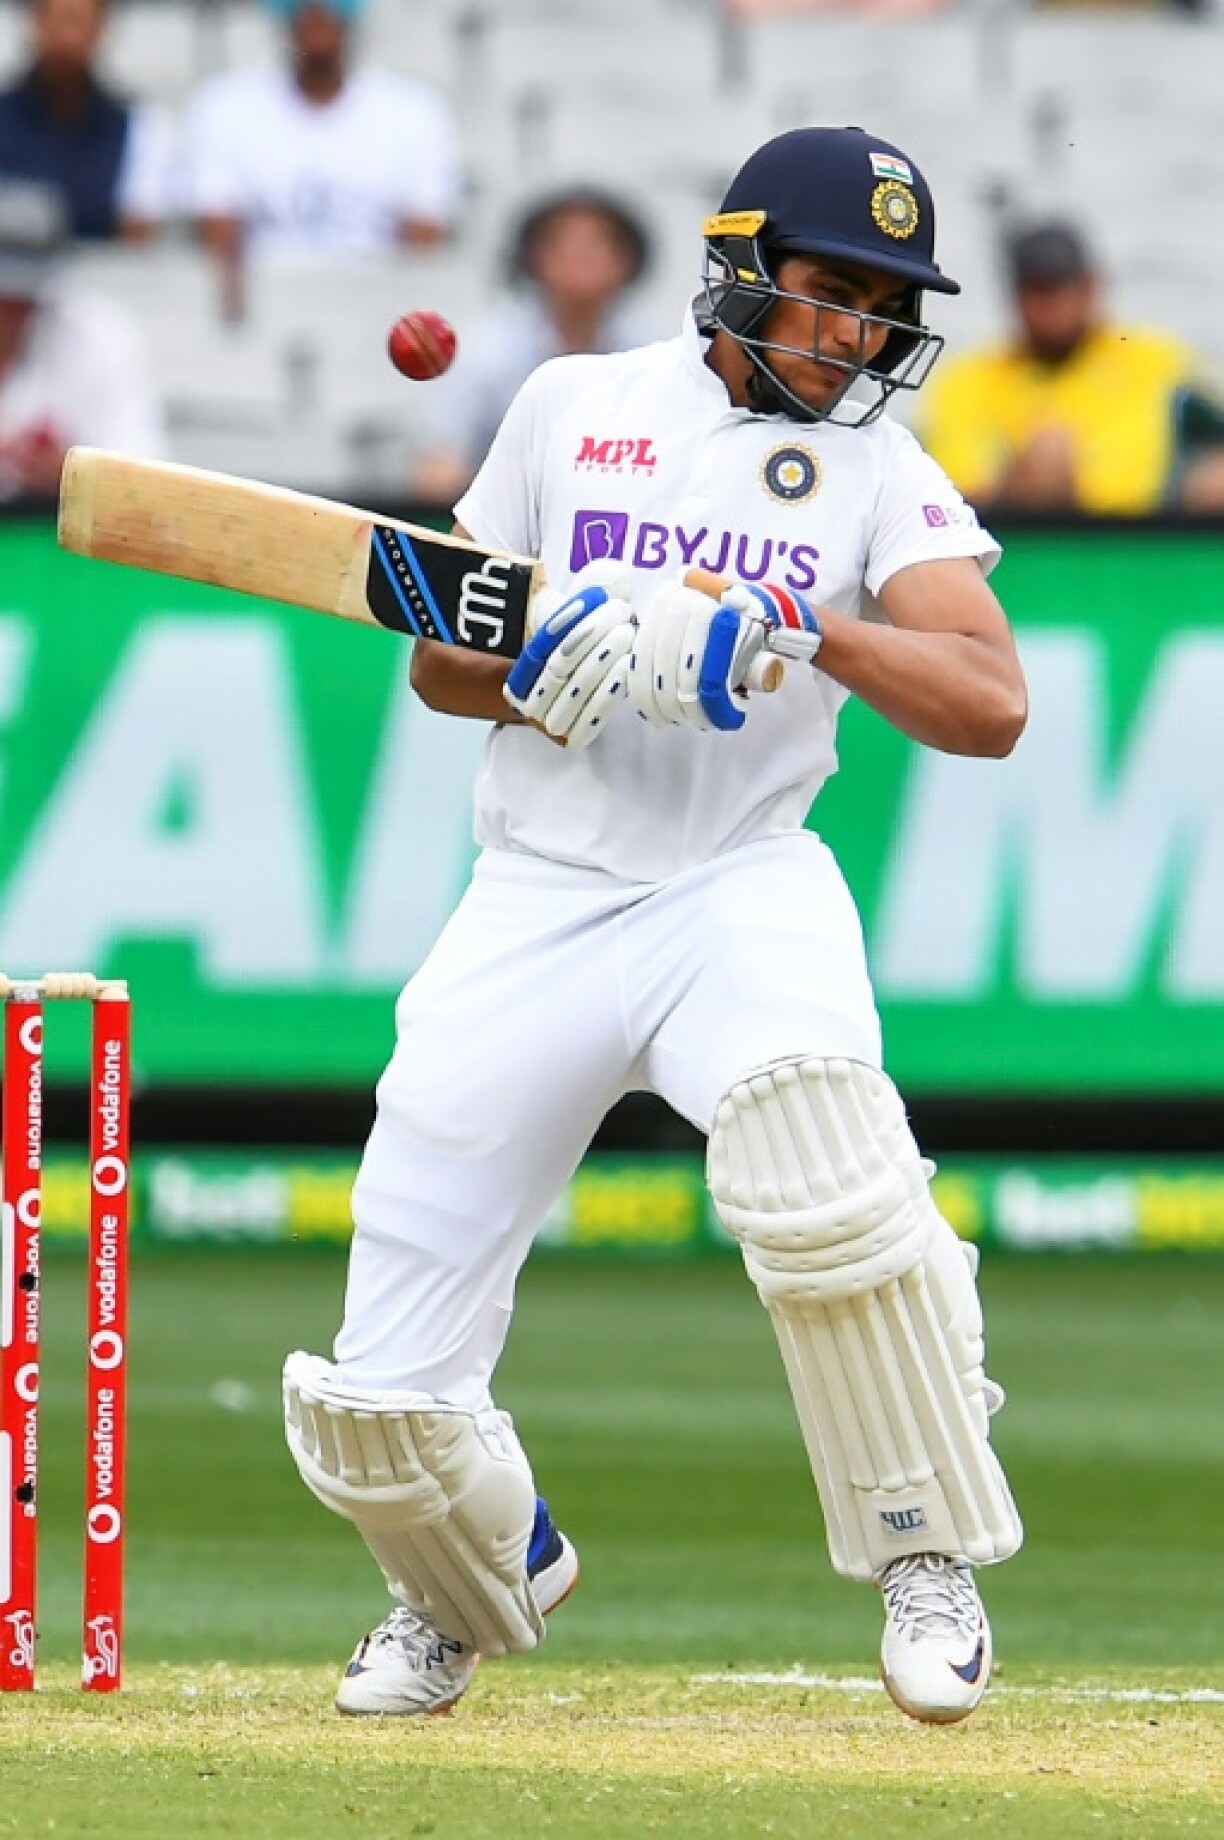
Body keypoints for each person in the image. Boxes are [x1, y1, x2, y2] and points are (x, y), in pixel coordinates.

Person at [283, 126, 1027, 1728]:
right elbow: (440, 658)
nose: (859, 335)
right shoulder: (572, 408)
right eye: (833, 293)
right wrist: (547, 663)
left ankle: (925, 1551)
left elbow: (991, 700)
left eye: (885, 307)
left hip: (740, 883)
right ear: (743, 268)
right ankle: (464, 1583)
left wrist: (804, 625)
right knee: (373, 1399)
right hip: (538, 896)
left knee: (830, 1171)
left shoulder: (881, 471)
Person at [180, 0, 462, 321]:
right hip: (264, 311)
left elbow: (420, 250)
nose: (317, 24)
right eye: (306, 14)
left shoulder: (415, 114)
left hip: (376, 316)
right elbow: (218, 239)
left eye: (328, 13)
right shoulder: (223, 108)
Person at [922, 218, 1224, 515]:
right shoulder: (966, 380)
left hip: (1145, 532)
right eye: (1036, 291)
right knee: (1049, 455)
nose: (1050, 308)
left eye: (1061, 289)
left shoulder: (1156, 360)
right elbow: (955, 496)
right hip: (1030, 537)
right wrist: (1020, 481)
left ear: (1091, 287)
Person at [411, 187, 659, 503]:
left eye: (601, 243)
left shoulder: (653, 349)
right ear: (535, 258)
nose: (582, 255)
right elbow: (437, 464)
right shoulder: (487, 348)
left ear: (628, 261)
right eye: (565, 244)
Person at [0, 176, 164, 498]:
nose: (12, 310)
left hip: (55, 532)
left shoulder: (102, 337)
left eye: (26, 296)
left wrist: (73, 479)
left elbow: (142, 472)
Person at [0, 0, 174, 241]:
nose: (68, 38)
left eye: (79, 22)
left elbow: (137, 240)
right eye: (56, 21)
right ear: (34, 23)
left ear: (101, 29)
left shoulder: (138, 127)